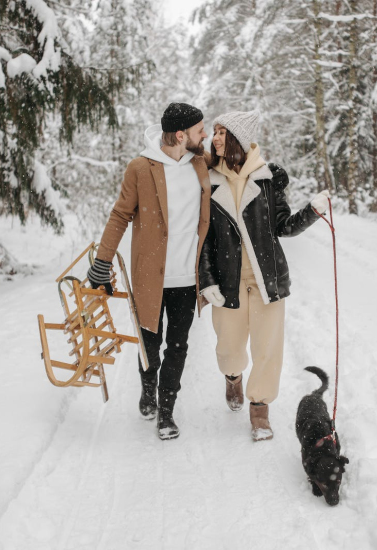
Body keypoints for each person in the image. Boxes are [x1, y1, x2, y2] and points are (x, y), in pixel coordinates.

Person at [198, 109, 330, 441]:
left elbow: (284, 226)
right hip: (227, 282)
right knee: (229, 349)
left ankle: (259, 410)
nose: (214, 138)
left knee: (268, 348)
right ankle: (232, 377)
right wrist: (208, 279)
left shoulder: (268, 179)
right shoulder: (208, 180)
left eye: (221, 132)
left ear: (237, 140)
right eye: (213, 132)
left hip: (266, 279)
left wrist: (312, 212)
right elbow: (203, 238)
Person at [87, 103, 211, 440]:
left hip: (187, 278)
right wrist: (102, 261)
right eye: (201, 130)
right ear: (181, 134)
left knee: (178, 345)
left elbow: (236, 163)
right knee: (149, 344)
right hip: (149, 277)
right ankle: (147, 388)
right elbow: (120, 215)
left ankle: (166, 410)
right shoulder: (140, 168)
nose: (206, 135)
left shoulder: (201, 163)